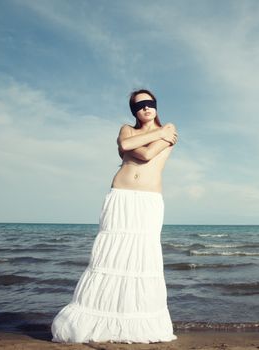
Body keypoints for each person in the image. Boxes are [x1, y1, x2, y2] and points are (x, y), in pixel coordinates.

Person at [51, 89, 178, 343]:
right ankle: (100, 323)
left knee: (141, 259)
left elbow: (145, 154)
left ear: (156, 106)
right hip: (120, 197)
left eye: (149, 103)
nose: (145, 108)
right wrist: (154, 135)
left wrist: (156, 135)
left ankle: (134, 322)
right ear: (133, 111)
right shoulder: (126, 130)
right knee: (110, 257)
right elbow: (125, 145)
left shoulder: (170, 129)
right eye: (139, 105)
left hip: (148, 202)